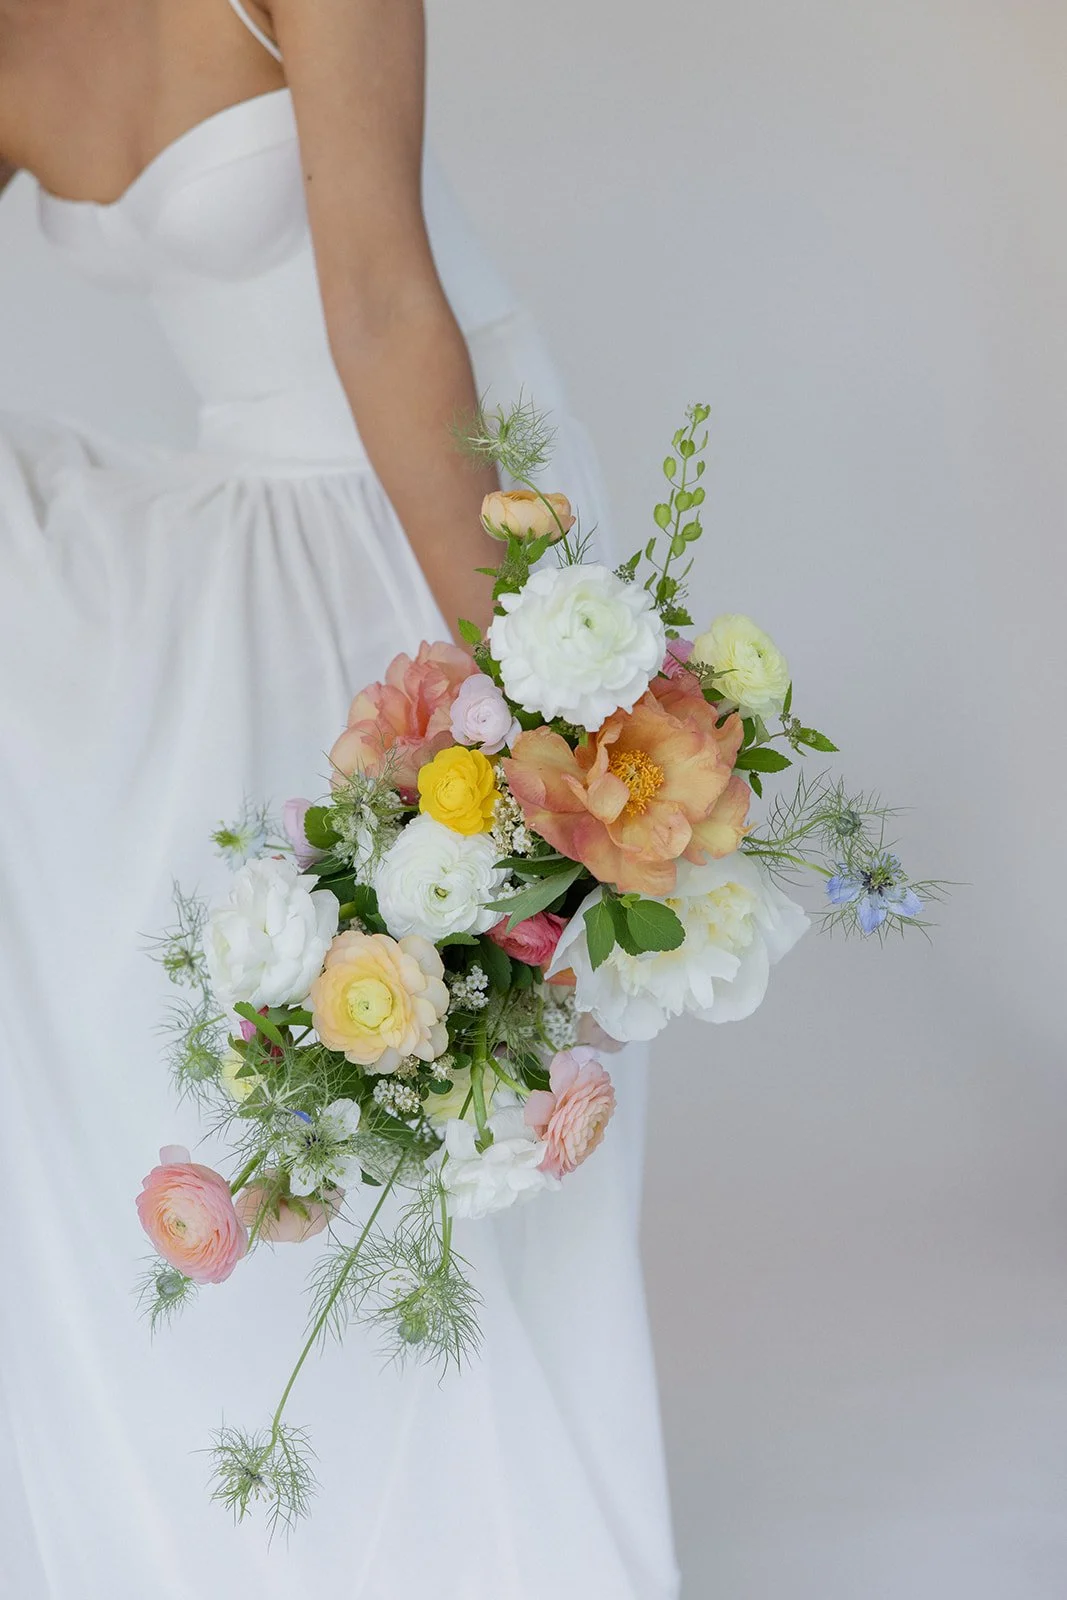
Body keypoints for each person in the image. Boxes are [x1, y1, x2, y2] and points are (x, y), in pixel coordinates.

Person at [0, 3, 680, 1595]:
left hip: (445, 506)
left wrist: (535, 696)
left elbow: (383, 310)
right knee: (296, 1069)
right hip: (244, 545)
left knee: (507, 1053)